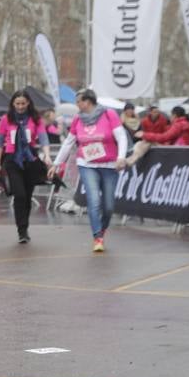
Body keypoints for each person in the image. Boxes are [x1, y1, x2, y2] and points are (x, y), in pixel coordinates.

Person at [52, 88, 129, 253]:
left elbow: (121, 136)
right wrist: (56, 163)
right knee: (93, 200)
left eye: (78, 101)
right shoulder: (77, 119)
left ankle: (103, 228)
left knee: (108, 206)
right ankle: (97, 237)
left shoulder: (109, 114)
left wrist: (121, 157)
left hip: (109, 165)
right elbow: (68, 142)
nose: (76, 105)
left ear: (87, 101)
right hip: (87, 165)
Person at [0, 89, 50, 244]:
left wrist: (47, 155)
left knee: (27, 196)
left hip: (30, 159)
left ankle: (25, 228)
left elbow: (44, 138)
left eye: (23, 103)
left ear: (28, 103)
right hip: (12, 160)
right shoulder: (6, 119)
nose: (20, 106)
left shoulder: (35, 119)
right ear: (13, 104)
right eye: (17, 103)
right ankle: (21, 230)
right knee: (19, 195)